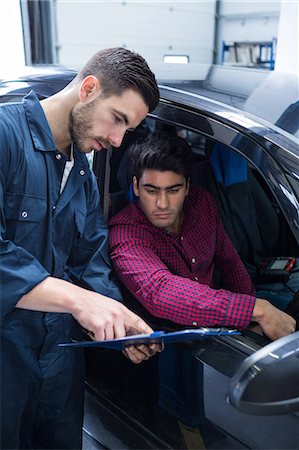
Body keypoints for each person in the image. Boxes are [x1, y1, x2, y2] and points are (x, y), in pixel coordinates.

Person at [0, 47, 162, 450]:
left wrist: (118, 320)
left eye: (128, 130)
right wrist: (78, 301)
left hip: (59, 357)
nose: (117, 140)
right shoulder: (5, 137)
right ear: (89, 88)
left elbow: (90, 257)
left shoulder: (83, 175)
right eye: (118, 120)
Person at [109, 132, 296, 341]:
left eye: (173, 190)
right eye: (151, 191)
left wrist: (251, 318)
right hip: (174, 339)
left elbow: (229, 261)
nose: (162, 204)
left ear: (187, 186)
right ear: (135, 186)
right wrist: (256, 309)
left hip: (225, 317)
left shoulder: (201, 203)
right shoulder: (125, 234)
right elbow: (161, 292)